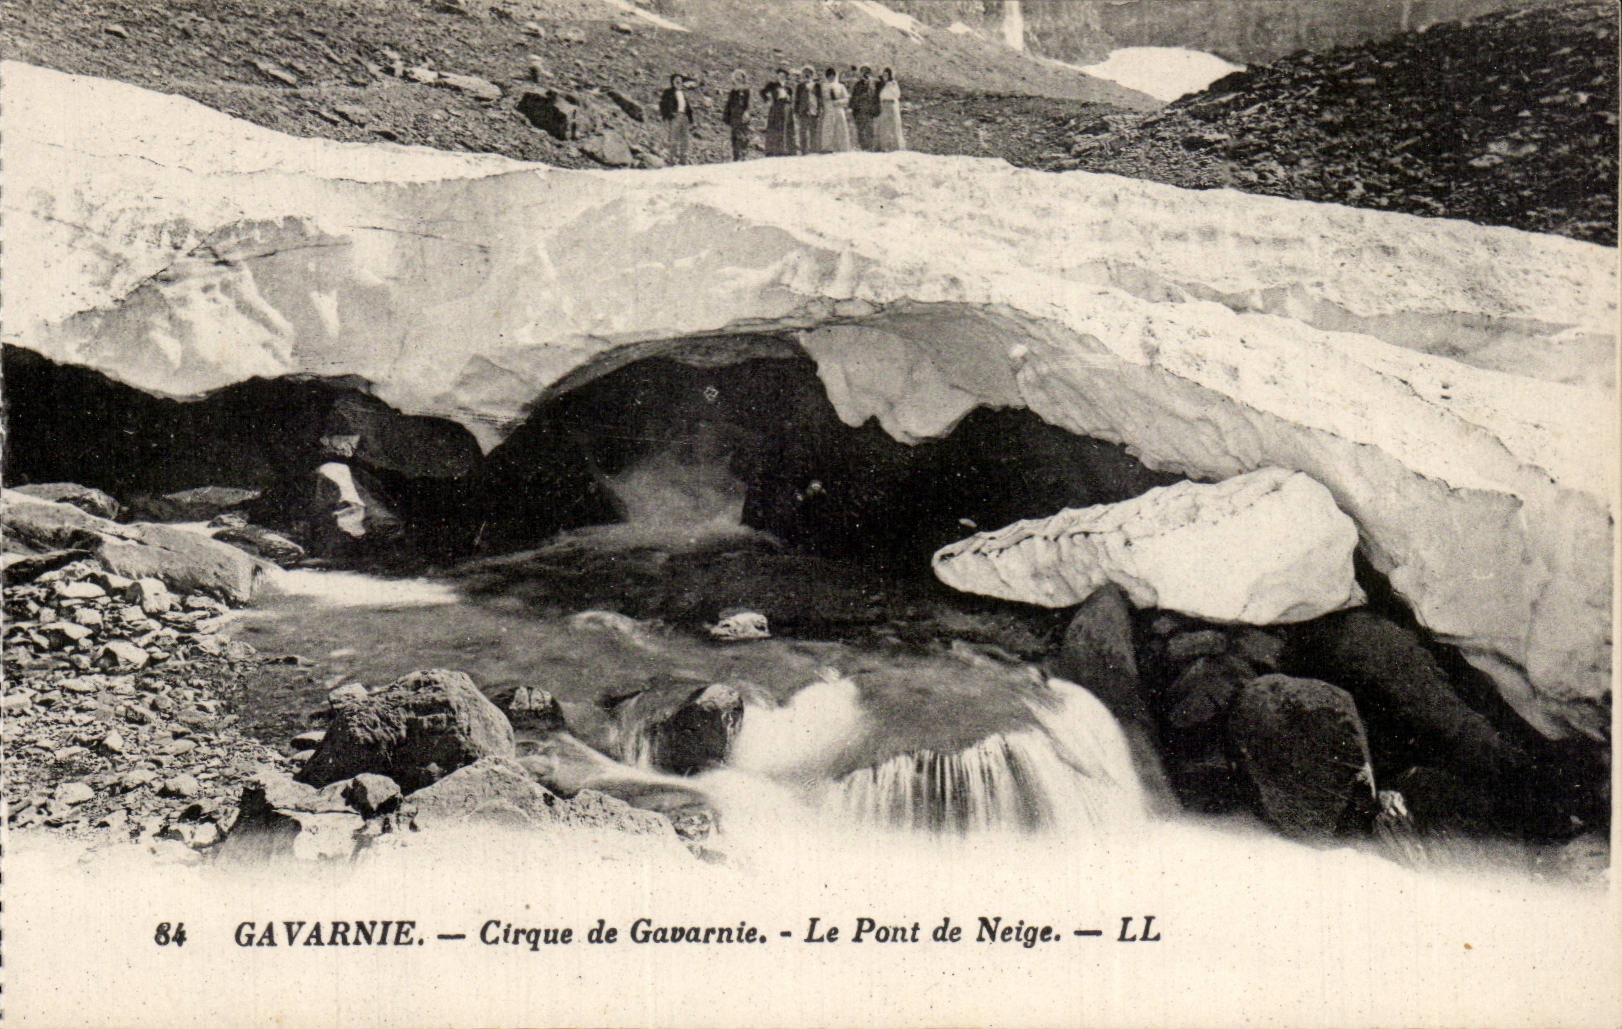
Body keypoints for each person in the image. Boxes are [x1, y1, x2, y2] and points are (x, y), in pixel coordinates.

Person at [658, 73, 694, 165]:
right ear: (672, 82)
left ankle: (683, 160)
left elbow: (687, 107)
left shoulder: (682, 93)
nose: (678, 82)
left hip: (684, 116)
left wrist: (690, 118)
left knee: (685, 138)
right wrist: (669, 115)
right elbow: (663, 104)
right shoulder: (668, 92)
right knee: (673, 138)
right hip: (675, 116)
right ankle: (671, 159)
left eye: (680, 81)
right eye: (676, 81)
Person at [816, 67, 853, 153]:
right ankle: (827, 147)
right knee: (828, 128)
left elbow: (846, 99)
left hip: (838, 109)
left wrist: (838, 102)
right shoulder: (823, 86)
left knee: (840, 128)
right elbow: (821, 99)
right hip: (828, 110)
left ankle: (841, 147)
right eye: (829, 76)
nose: (831, 78)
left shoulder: (840, 86)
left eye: (832, 76)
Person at [761, 68, 796, 157]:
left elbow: (791, 99)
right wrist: (768, 100)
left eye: (784, 76)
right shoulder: (772, 85)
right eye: (780, 76)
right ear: (777, 76)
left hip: (786, 109)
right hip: (776, 108)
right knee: (775, 128)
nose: (782, 77)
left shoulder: (788, 88)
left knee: (786, 128)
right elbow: (762, 92)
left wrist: (789, 100)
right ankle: (773, 150)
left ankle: (786, 149)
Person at [874, 68, 906, 152]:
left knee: (893, 125)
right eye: (884, 75)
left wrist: (889, 87)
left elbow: (897, 94)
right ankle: (884, 146)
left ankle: (895, 146)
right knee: (884, 126)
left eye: (886, 75)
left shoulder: (893, 83)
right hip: (884, 105)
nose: (885, 77)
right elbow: (880, 96)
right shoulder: (881, 85)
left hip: (891, 105)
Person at [723, 69, 751, 161]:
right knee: (734, 135)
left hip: (742, 116)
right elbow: (729, 104)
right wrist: (726, 116)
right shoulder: (733, 92)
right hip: (734, 116)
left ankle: (743, 154)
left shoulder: (746, 91)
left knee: (743, 135)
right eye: (736, 78)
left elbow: (748, 104)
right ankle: (736, 156)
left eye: (739, 78)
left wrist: (747, 112)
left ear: (743, 79)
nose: (737, 80)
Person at [849, 66, 879, 150]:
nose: (865, 74)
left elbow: (876, 97)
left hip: (869, 110)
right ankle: (863, 146)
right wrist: (852, 107)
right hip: (860, 109)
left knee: (870, 128)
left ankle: (870, 146)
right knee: (860, 128)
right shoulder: (857, 84)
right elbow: (854, 96)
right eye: (863, 72)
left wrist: (875, 108)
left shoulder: (873, 84)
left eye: (867, 72)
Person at [792, 66, 819, 155]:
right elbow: (797, 100)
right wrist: (796, 112)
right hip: (803, 111)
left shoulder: (817, 86)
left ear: (812, 75)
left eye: (809, 73)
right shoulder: (800, 86)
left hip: (814, 111)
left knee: (813, 131)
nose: (807, 75)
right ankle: (804, 151)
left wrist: (819, 110)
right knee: (802, 131)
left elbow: (820, 99)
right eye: (805, 73)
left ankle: (813, 150)